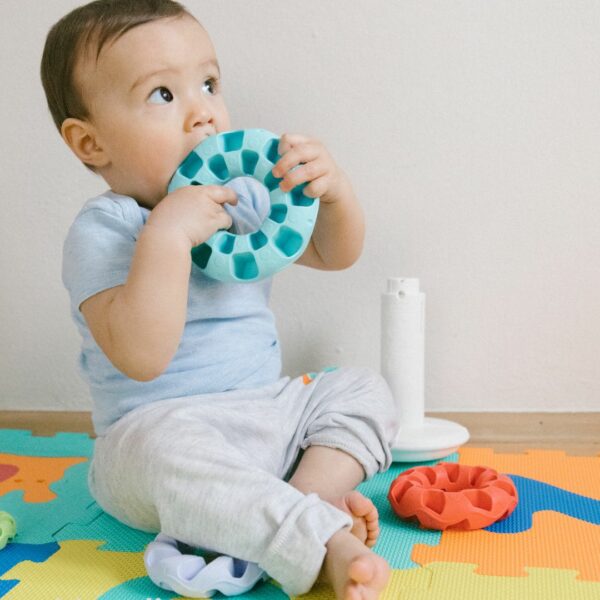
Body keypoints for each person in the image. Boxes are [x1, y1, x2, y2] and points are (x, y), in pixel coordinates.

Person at [41, 1, 398, 598]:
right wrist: (169, 236)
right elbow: (143, 356)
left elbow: (334, 254)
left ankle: (295, 502)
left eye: (208, 84)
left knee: (363, 389)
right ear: (90, 142)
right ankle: (318, 539)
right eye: (162, 95)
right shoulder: (105, 231)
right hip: (156, 436)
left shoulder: (240, 202)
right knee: (166, 454)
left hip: (267, 415)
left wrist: (333, 194)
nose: (203, 113)